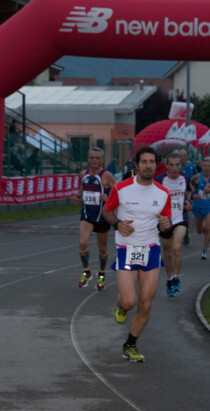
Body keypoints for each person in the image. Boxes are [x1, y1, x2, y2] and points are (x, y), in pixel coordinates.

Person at [102, 146, 173, 363]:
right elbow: (107, 211)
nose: (148, 166)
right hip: (127, 249)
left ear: (157, 165)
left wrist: (166, 226)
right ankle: (121, 305)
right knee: (129, 301)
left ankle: (130, 344)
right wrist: (118, 224)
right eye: (144, 162)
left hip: (150, 250)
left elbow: (166, 228)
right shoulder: (122, 188)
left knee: (145, 303)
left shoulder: (163, 193)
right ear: (136, 165)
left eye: (152, 162)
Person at [73, 146, 116, 291]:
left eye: (97, 158)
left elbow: (118, 194)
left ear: (102, 160)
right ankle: (86, 272)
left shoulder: (107, 176)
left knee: (102, 248)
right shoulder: (83, 174)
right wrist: (78, 196)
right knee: (82, 242)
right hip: (87, 215)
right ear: (88, 159)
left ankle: (101, 274)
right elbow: (83, 187)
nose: (94, 160)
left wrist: (108, 198)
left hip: (102, 217)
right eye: (92, 157)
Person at [157, 151, 190, 296]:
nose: (175, 168)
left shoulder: (184, 178)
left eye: (177, 165)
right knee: (168, 252)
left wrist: (188, 201)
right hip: (165, 220)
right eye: (172, 165)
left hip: (180, 218)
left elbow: (187, 193)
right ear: (167, 166)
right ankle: (169, 278)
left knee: (176, 246)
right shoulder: (160, 180)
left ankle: (176, 277)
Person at [191, 157, 210, 259]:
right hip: (198, 206)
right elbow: (190, 183)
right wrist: (193, 194)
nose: (206, 168)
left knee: (208, 227)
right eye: (204, 166)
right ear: (201, 167)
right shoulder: (197, 177)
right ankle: (206, 235)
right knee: (199, 231)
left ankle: (204, 251)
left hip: (209, 206)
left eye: (208, 166)